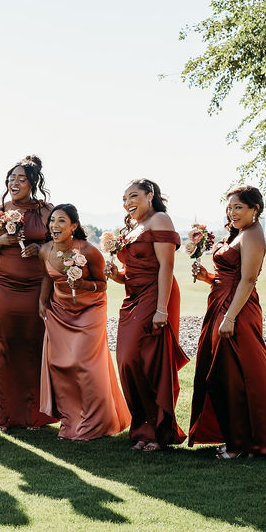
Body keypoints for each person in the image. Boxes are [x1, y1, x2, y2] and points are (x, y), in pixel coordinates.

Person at [188, 186, 266, 458]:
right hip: (222, 304)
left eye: (238, 207)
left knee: (235, 376)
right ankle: (236, 438)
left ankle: (241, 445)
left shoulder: (253, 236)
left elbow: (247, 280)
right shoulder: (240, 233)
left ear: (254, 209)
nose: (232, 212)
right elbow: (230, 275)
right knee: (222, 374)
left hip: (237, 310)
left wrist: (230, 317)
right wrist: (208, 278)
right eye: (229, 207)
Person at [108, 178, 189, 451]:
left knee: (151, 362)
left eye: (133, 196)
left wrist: (162, 309)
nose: (127, 202)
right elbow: (131, 272)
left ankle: (157, 432)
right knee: (127, 361)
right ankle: (142, 428)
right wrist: (116, 275)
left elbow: (166, 266)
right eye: (124, 199)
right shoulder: (132, 227)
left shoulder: (160, 220)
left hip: (157, 295)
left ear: (149, 195)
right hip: (132, 299)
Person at [38, 204, 131, 439]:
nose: (54, 226)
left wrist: (83, 285)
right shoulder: (45, 249)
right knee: (60, 365)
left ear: (74, 226)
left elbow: (102, 284)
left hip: (90, 310)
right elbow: (47, 277)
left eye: (61, 221)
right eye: (52, 221)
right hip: (59, 310)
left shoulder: (89, 252)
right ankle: (70, 422)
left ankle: (95, 423)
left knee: (84, 365)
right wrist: (42, 301)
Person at [0, 155, 54, 431]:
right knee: (3, 347)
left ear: (33, 182)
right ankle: (3, 415)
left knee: (34, 347)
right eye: (11, 179)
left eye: (21, 179)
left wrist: (41, 249)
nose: (14, 183)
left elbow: (59, 247)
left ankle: (34, 415)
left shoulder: (47, 212)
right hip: (3, 288)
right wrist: (0, 241)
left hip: (36, 287)